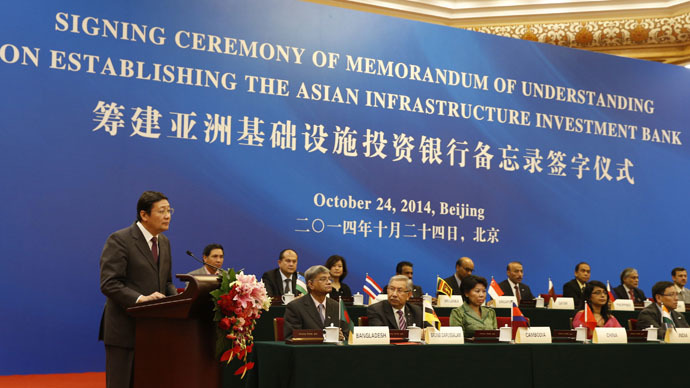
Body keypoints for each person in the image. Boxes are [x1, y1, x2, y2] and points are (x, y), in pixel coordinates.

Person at [99, 191, 178, 388]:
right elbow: (109, 283)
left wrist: (176, 302)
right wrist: (140, 299)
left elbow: (166, 282)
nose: (168, 216)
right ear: (144, 215)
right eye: (162, 211)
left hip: (154, 331)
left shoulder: (164, 243)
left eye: (169, 211)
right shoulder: (120, 240)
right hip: (125, 331)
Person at [283, 265, 347, 339]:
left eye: (330, 279)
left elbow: (347, 333)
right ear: (311, 284)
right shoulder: (295, 307)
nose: (329, 282)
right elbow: (292, 336)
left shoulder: (336, 306)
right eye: (323, 279)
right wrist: (324, 337)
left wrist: (342, 337)